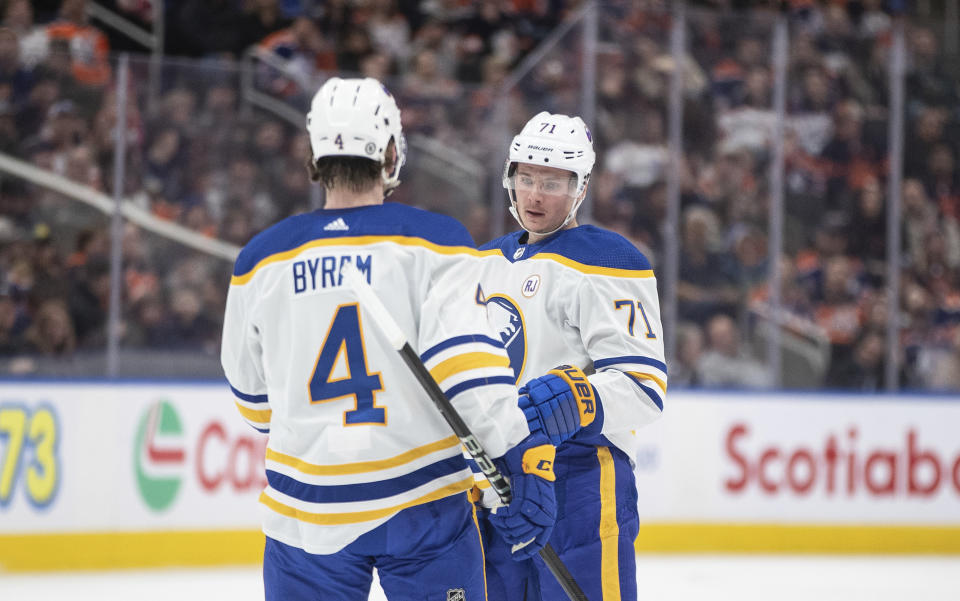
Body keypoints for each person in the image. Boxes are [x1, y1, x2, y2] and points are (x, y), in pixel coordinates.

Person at [220, 78, 557, 601]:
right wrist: (520, 452)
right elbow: (467, 372)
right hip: (421, 505)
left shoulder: (260, 261)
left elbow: (256, 407)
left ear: (313, 154)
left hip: (307, 512)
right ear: (392, 151)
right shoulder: (434, 241)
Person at [475, 111, 667, 601]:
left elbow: (643, 388)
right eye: (528, 178)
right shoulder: (481, 263)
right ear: (510, 179)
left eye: (554, 182)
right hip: (499, 482)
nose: (536, 194)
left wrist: (577, 399)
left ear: (580, 187)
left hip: (579, 478)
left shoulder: (609, 259)